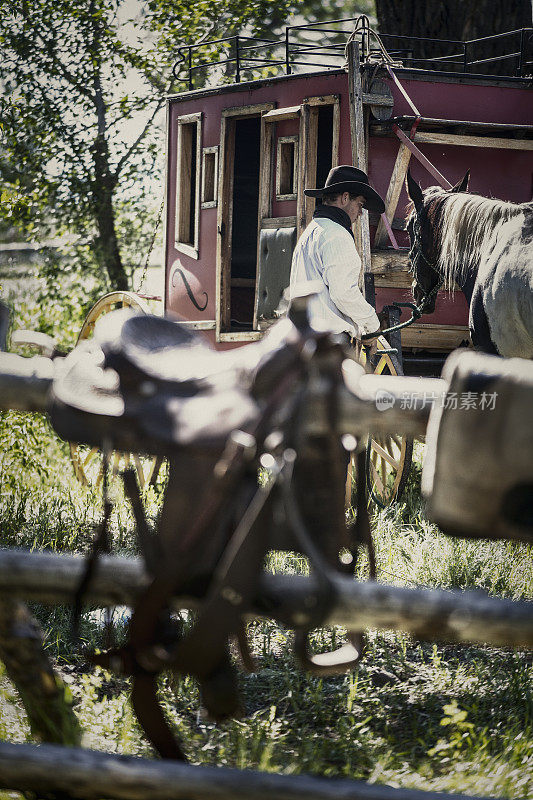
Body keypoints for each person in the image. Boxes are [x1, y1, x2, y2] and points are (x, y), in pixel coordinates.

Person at [289, 164, 386, 355]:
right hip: (328, 345)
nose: (360, 213)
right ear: (345, 198)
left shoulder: (311, 232)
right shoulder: (336, 235)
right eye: (360, 204)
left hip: (306, 340)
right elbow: (343, 293)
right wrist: (372, 326)